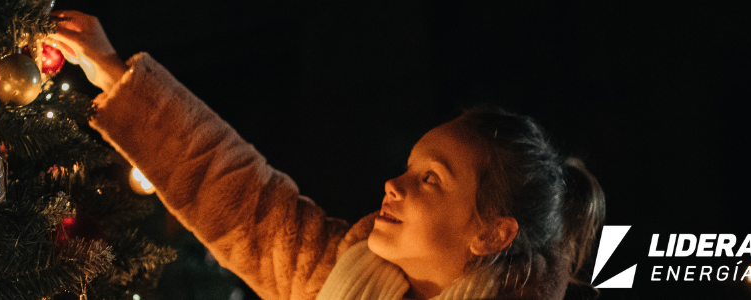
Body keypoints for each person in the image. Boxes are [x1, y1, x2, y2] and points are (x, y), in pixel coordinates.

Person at [48, 11, 607, 300]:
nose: (395, 184)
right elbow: (244, 199)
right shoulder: (343, 275)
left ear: (490, 234)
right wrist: (116, 73)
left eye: (431, 179)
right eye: (411, 167)